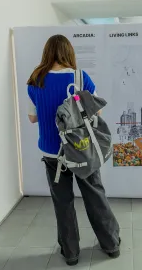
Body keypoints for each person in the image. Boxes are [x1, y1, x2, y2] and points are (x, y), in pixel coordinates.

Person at [26, 35, 120, 266]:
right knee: (95, 196)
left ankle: (70, 253)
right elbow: (97, 113)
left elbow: (32, 118)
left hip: (52, 153)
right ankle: (111, 245)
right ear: (69, 52)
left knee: (63, 202)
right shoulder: (81, 77)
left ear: (46, 52)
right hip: (81, 150)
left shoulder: (35, 80)